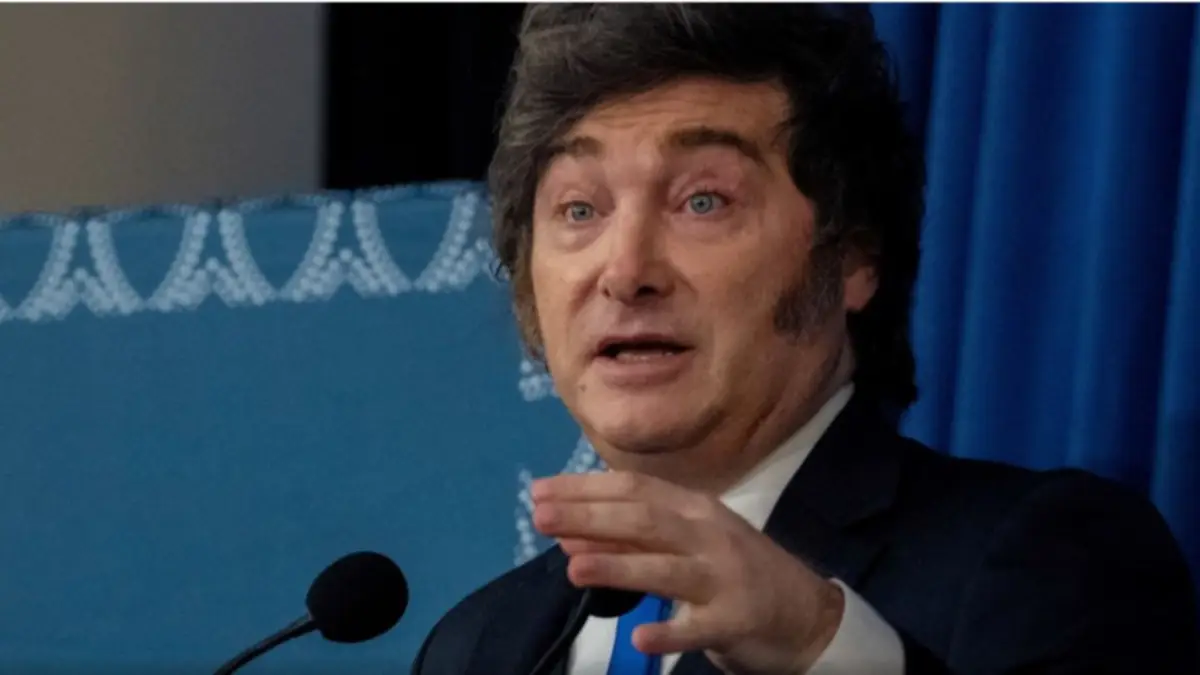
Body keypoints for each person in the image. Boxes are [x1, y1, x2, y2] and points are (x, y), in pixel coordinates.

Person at [412, 4, 1199, 674]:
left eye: (702, 201)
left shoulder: (1047, 563)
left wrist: (824, 647)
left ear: (852, 257)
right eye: (580, 209)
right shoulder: (478, 644)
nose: (625, 271)